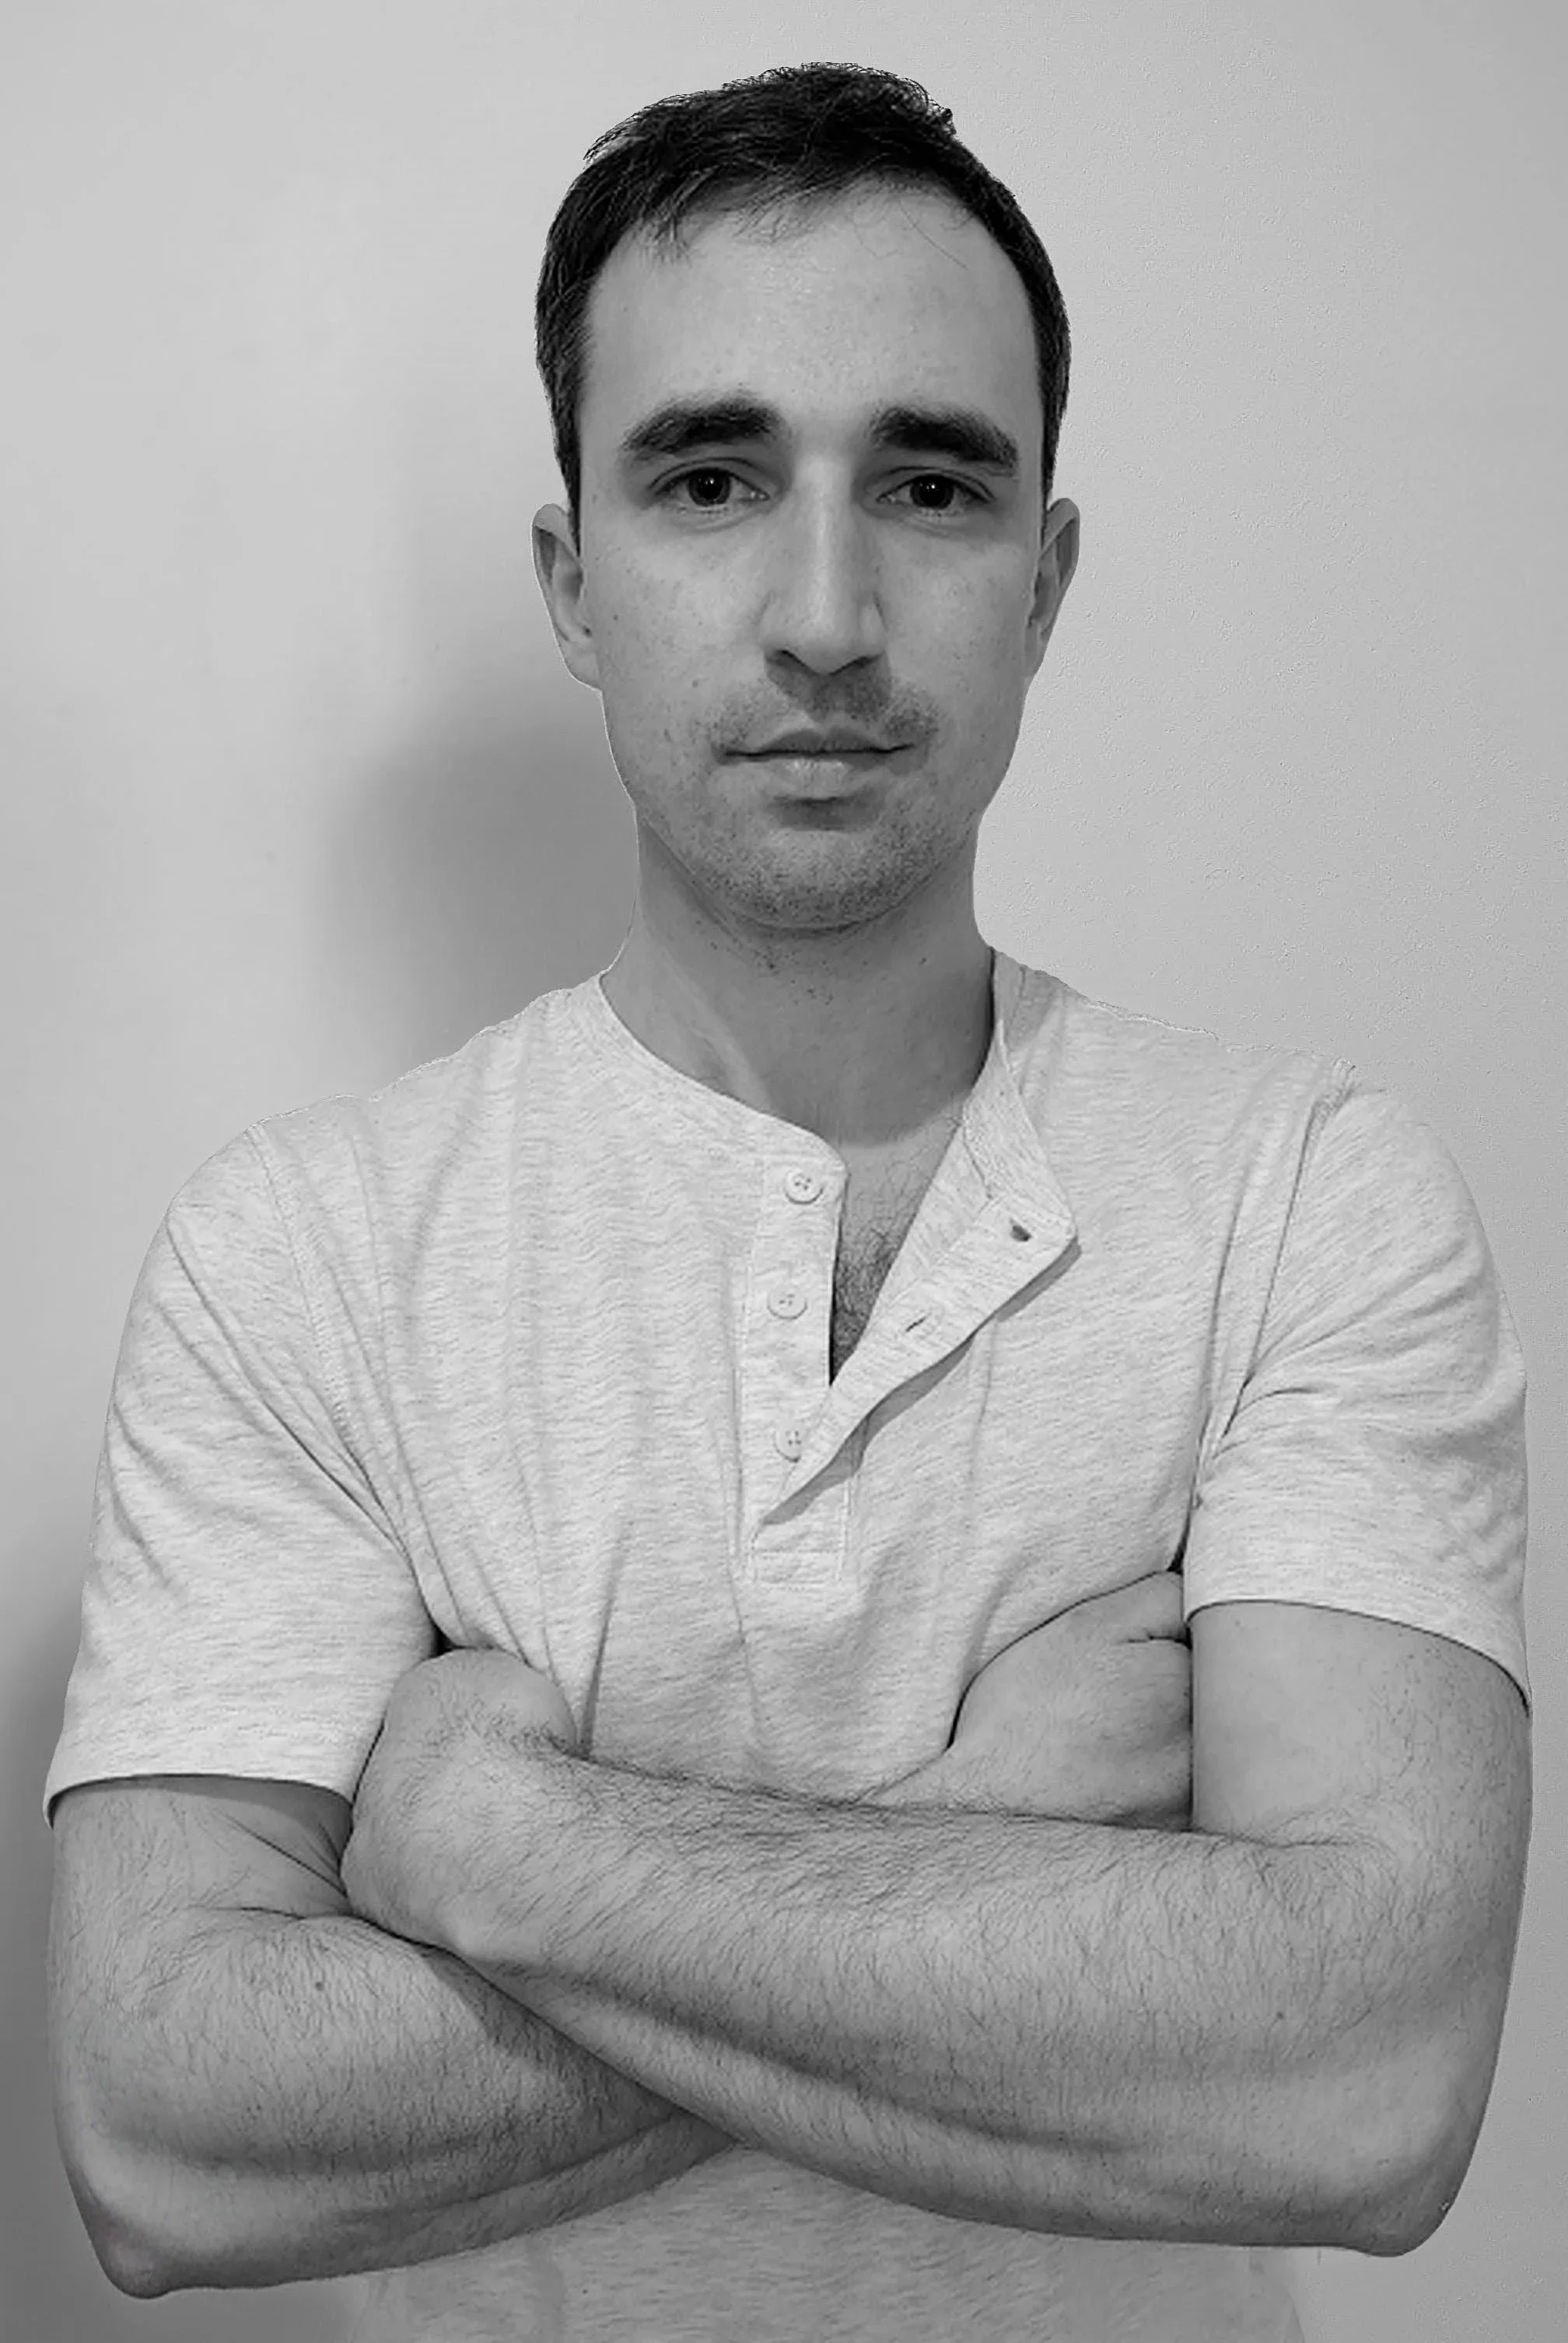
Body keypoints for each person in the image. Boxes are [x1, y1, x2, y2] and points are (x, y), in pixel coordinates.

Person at [45, 61, 1531, 2343]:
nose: (826, 612)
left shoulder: (1303, 1208)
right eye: (712, 477)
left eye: (928, 482)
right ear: (571, 578)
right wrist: (1000, 1816)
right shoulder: (307, 1261)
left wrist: (501, 1847)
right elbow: (163, 2135)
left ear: (1043, 580)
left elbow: (1363, 2085)